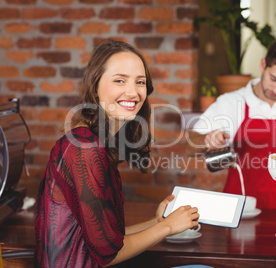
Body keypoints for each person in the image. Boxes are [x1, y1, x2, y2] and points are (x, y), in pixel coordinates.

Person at [34, 40, 203, 267]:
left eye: (140, 82)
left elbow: (107, 241)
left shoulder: (99, 144)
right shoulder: (84, 148)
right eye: (119, 80)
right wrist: (168, 226)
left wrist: (156, 221)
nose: (133, 92)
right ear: (95, 86)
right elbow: (108, 255)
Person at [188, 37, 276, 209]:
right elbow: (190, 145)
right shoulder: (231, 101)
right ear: (263, 65)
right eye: (273, 79)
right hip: (238, 207)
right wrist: (207, 139)